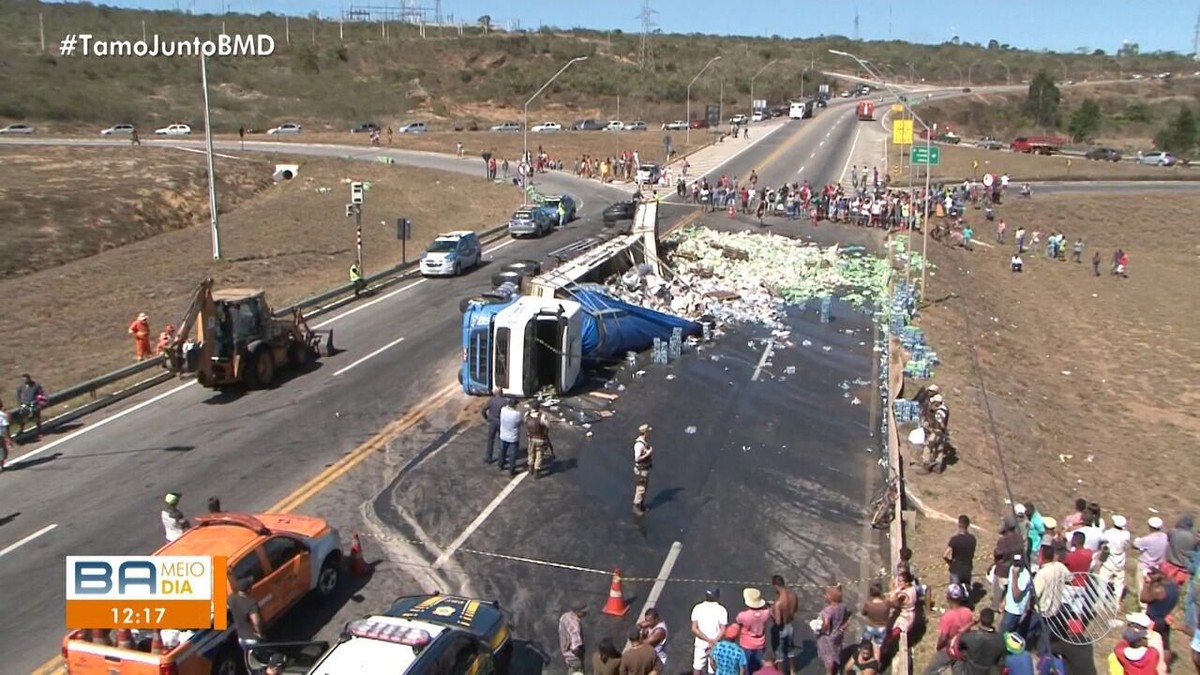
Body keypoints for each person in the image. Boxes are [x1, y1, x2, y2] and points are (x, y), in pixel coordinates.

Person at [924, 585, 973, 675]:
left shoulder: (948, 616)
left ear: (948, 597)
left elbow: (943, 637)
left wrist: (939, 647)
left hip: (948, 648)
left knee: (930, 671)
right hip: (961, 647)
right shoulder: (967, 611)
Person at [956, 609, 1007, 675]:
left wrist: (972, 623)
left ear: (980, 620)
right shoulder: (1000, 640)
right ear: (992, 621)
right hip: (988, 671)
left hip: (970, 669)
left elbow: (958, 641)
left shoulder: (970, 636)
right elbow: (1001, 662)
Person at [692, 587, 729, 675]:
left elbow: (694, 628)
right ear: (717, 596)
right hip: (716, 645)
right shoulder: (722, 610)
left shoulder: (697, 608)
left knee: (697, 667)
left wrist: (707, 639)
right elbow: (723, 629)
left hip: (700, 644)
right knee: (713, 670)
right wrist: (713, 641)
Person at [1100, 514, 1133, 609]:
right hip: (1120, 562)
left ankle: (1101, 603)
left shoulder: (1109, 533)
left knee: (1103, 581)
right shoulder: (1126, 535)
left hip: (1109, 562)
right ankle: (1117, 603)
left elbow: (1103, 542)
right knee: (1119, 584)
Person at [815, 585, 848, 675]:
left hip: (828, 638)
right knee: (836, 651)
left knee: (828, 657)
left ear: (831, 597)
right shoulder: (843, 607)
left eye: (826, 594)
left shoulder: (828, 610)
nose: (825, 596)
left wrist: (818, 629)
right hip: (838, 633)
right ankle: (836, 669)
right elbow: (845, 619)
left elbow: (826, 625)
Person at [738, 588, 772, 673]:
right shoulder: (766, 613)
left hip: (746, 644)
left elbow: (738, 623)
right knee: (758, 668)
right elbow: (770, 609)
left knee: (747, 667)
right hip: (760, 644)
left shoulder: (743, 616)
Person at [770, 575, 798, 673]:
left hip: (781, 629)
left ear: (776, 586)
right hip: (790, 626)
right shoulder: (793, 596)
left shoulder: (778, 603)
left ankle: (781, 672)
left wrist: (771, 612)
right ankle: (792, 671)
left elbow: (778, 622)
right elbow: (795, 609)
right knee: (790, 651)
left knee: (779, 653)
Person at [945, 515, 978, 593]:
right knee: (966, 592)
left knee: (954, 593)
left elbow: (945, 555)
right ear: (968, 525)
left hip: (956, 569)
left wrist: (949, 562)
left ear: (959, 524)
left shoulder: (955, 539)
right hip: (967, 568)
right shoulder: (972, 539)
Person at [230, 576, 265, 649]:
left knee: (250, 657)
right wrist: (259, 633)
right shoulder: (251, 603)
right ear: (248, 590)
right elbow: (256, 622)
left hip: (241, 639)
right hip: (252, 638)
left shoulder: (231, 598)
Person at [860, 581, 890, 662]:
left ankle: (862, 661)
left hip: (870, 626)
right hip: (882, 628)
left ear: (871, 593)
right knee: (877, 648)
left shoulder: (868, 604)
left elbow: (863, 613)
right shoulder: (886, 603)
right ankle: (876, 666)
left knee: (865, 644)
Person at [523, 400, 552, 479]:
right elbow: (548, 425)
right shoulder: (542, 416)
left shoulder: (527, 415)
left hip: (530, 438)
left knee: (531, 453)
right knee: (539, 454)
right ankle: (536, 471)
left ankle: (530, 467)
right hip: (540, 438)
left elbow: (525, 422)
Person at [559, 602, 587, 675]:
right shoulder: (574, 623)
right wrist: (580, 654)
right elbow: (576, 645)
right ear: (577, 611)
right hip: (574, 658)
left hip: (566, 654)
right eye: (583, 611)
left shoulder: (565, 617)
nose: (585, 613)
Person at [16, 373, 46, 440]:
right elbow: (18, 396)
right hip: (25, 405)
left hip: (34, 404)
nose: (25, 381)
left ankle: (39, 432)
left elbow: (41, 394)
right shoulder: (21, 387)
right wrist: (20, 404)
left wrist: (40, 404)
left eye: (26, 379)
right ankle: (21, 430)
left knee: (37, 419)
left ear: (29, 378)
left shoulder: (36, 385)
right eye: (23, 380)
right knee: (23, 419)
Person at [497, 397, 522, 476]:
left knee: (502, 452)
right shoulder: (516, 414)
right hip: (513, 438)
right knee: (513, 455)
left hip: (503, 435)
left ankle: (500, 465)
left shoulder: (503, 410)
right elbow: (520, 422)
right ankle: (511, 470)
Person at [633, 423, 654, 515]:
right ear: (645, 432)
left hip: (645, 467)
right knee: (640, 488)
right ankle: (636, 506)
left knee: (644, 487)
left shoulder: (644, 442)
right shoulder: (639, 445)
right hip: (641, 469)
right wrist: (648, 453)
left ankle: (641, 505)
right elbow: (637, 458)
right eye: (648, 431)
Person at [481, 388, 505, 464]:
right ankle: (501, 458)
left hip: (492, 422)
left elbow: (483, 410)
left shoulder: (491, 400)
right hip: (500, 422)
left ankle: (488, 457)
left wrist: (487, 418)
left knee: (491, 439)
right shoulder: (504, 402)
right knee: (501, 440)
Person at [0, 398, 12, 470]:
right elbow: (6, 426)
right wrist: (8, 438)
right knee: (3, 450)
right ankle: (1, 465)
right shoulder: (2, 415)